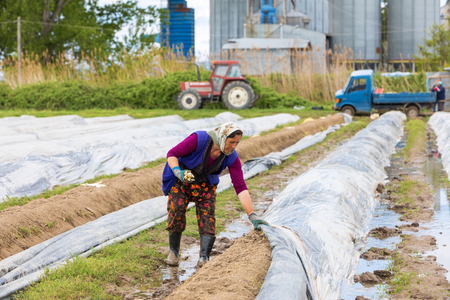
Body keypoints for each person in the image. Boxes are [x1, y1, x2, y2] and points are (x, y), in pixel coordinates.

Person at [162, 122, 268, 268]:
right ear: (222, 137)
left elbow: (240, 186)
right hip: (183, 180)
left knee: (207, 217)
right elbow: (172, 154)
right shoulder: (198, 140)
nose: (234, 146)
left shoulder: (231, 157)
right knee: (176, 210)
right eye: (231, 142)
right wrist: (177, 172)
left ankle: (204, 257)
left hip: (206, 185)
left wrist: (252, 215)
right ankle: (173, 253)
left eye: (237, 143)